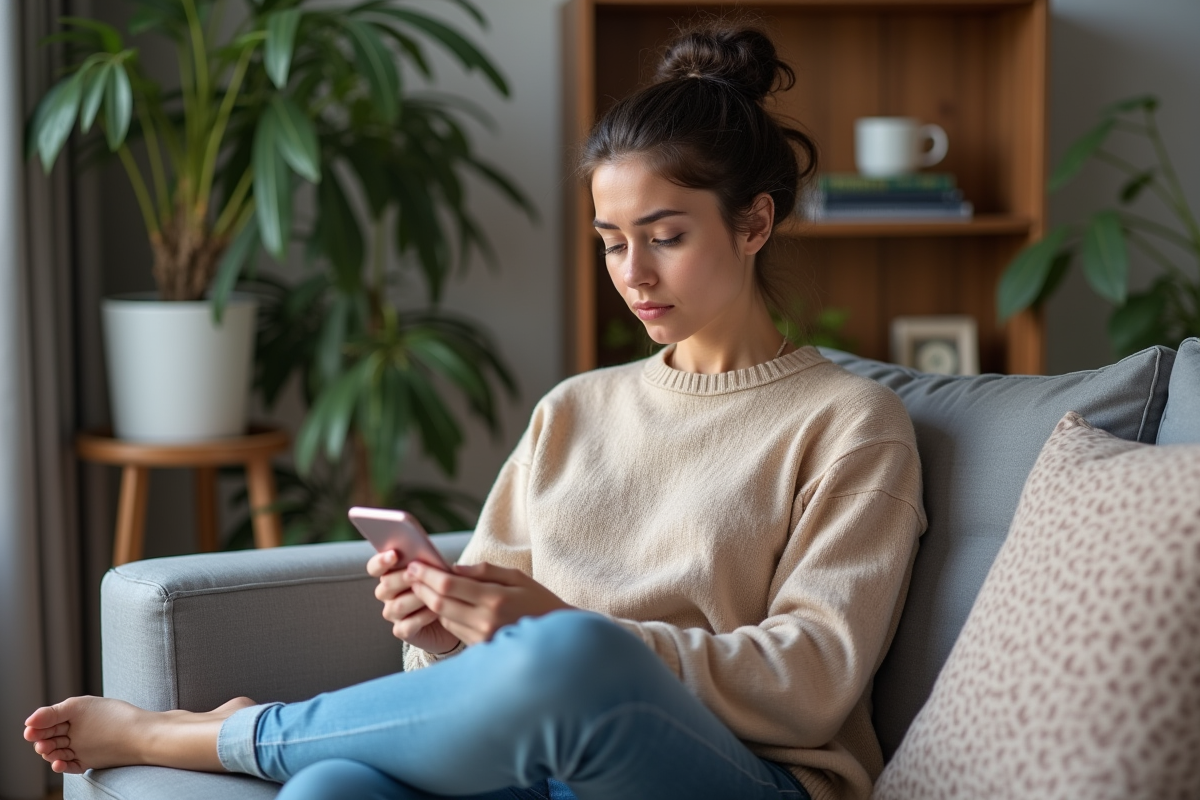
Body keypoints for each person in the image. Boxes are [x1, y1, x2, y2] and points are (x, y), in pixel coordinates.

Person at [24, 23, 925, 800]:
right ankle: (275, 742)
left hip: (736, 773)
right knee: (335, 784)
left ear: (755, 222)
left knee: (576, 657)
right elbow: (467, 679)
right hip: (541, 760)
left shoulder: (851, 423)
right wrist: (440, 631)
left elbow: (810, 682)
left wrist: (562, 632)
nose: (634, 275)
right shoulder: (574, 410)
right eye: (613, 243)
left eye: (667, 236)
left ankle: (206, 736)